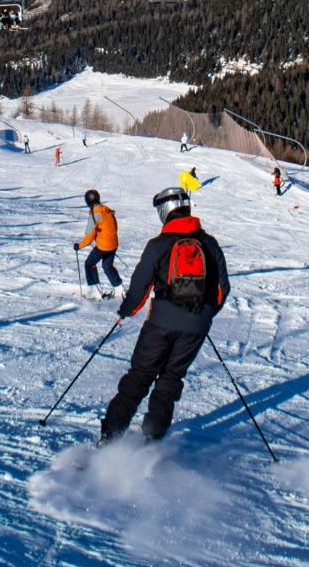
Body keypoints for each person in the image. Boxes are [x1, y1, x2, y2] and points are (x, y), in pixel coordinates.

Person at [100, 186, 230, 443]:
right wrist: (202, 315)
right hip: (196, 328)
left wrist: (125, 312)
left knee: (139, 377)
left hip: (160, 323)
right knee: (170, 379)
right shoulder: (210, 243)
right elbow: (221, 290)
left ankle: (110, 439)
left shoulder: (158, 245)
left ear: (165, 212)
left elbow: (139, 288)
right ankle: (152, 438)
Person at [73, 189, 123, 299]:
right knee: (107, 266)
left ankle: (95, 291)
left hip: (103, 246)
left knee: (89, 263)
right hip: (114, 244)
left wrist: (79, 246)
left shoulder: (94, 215)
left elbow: (89, 237)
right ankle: (120, 290)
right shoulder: (107, 210)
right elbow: (114, 227)